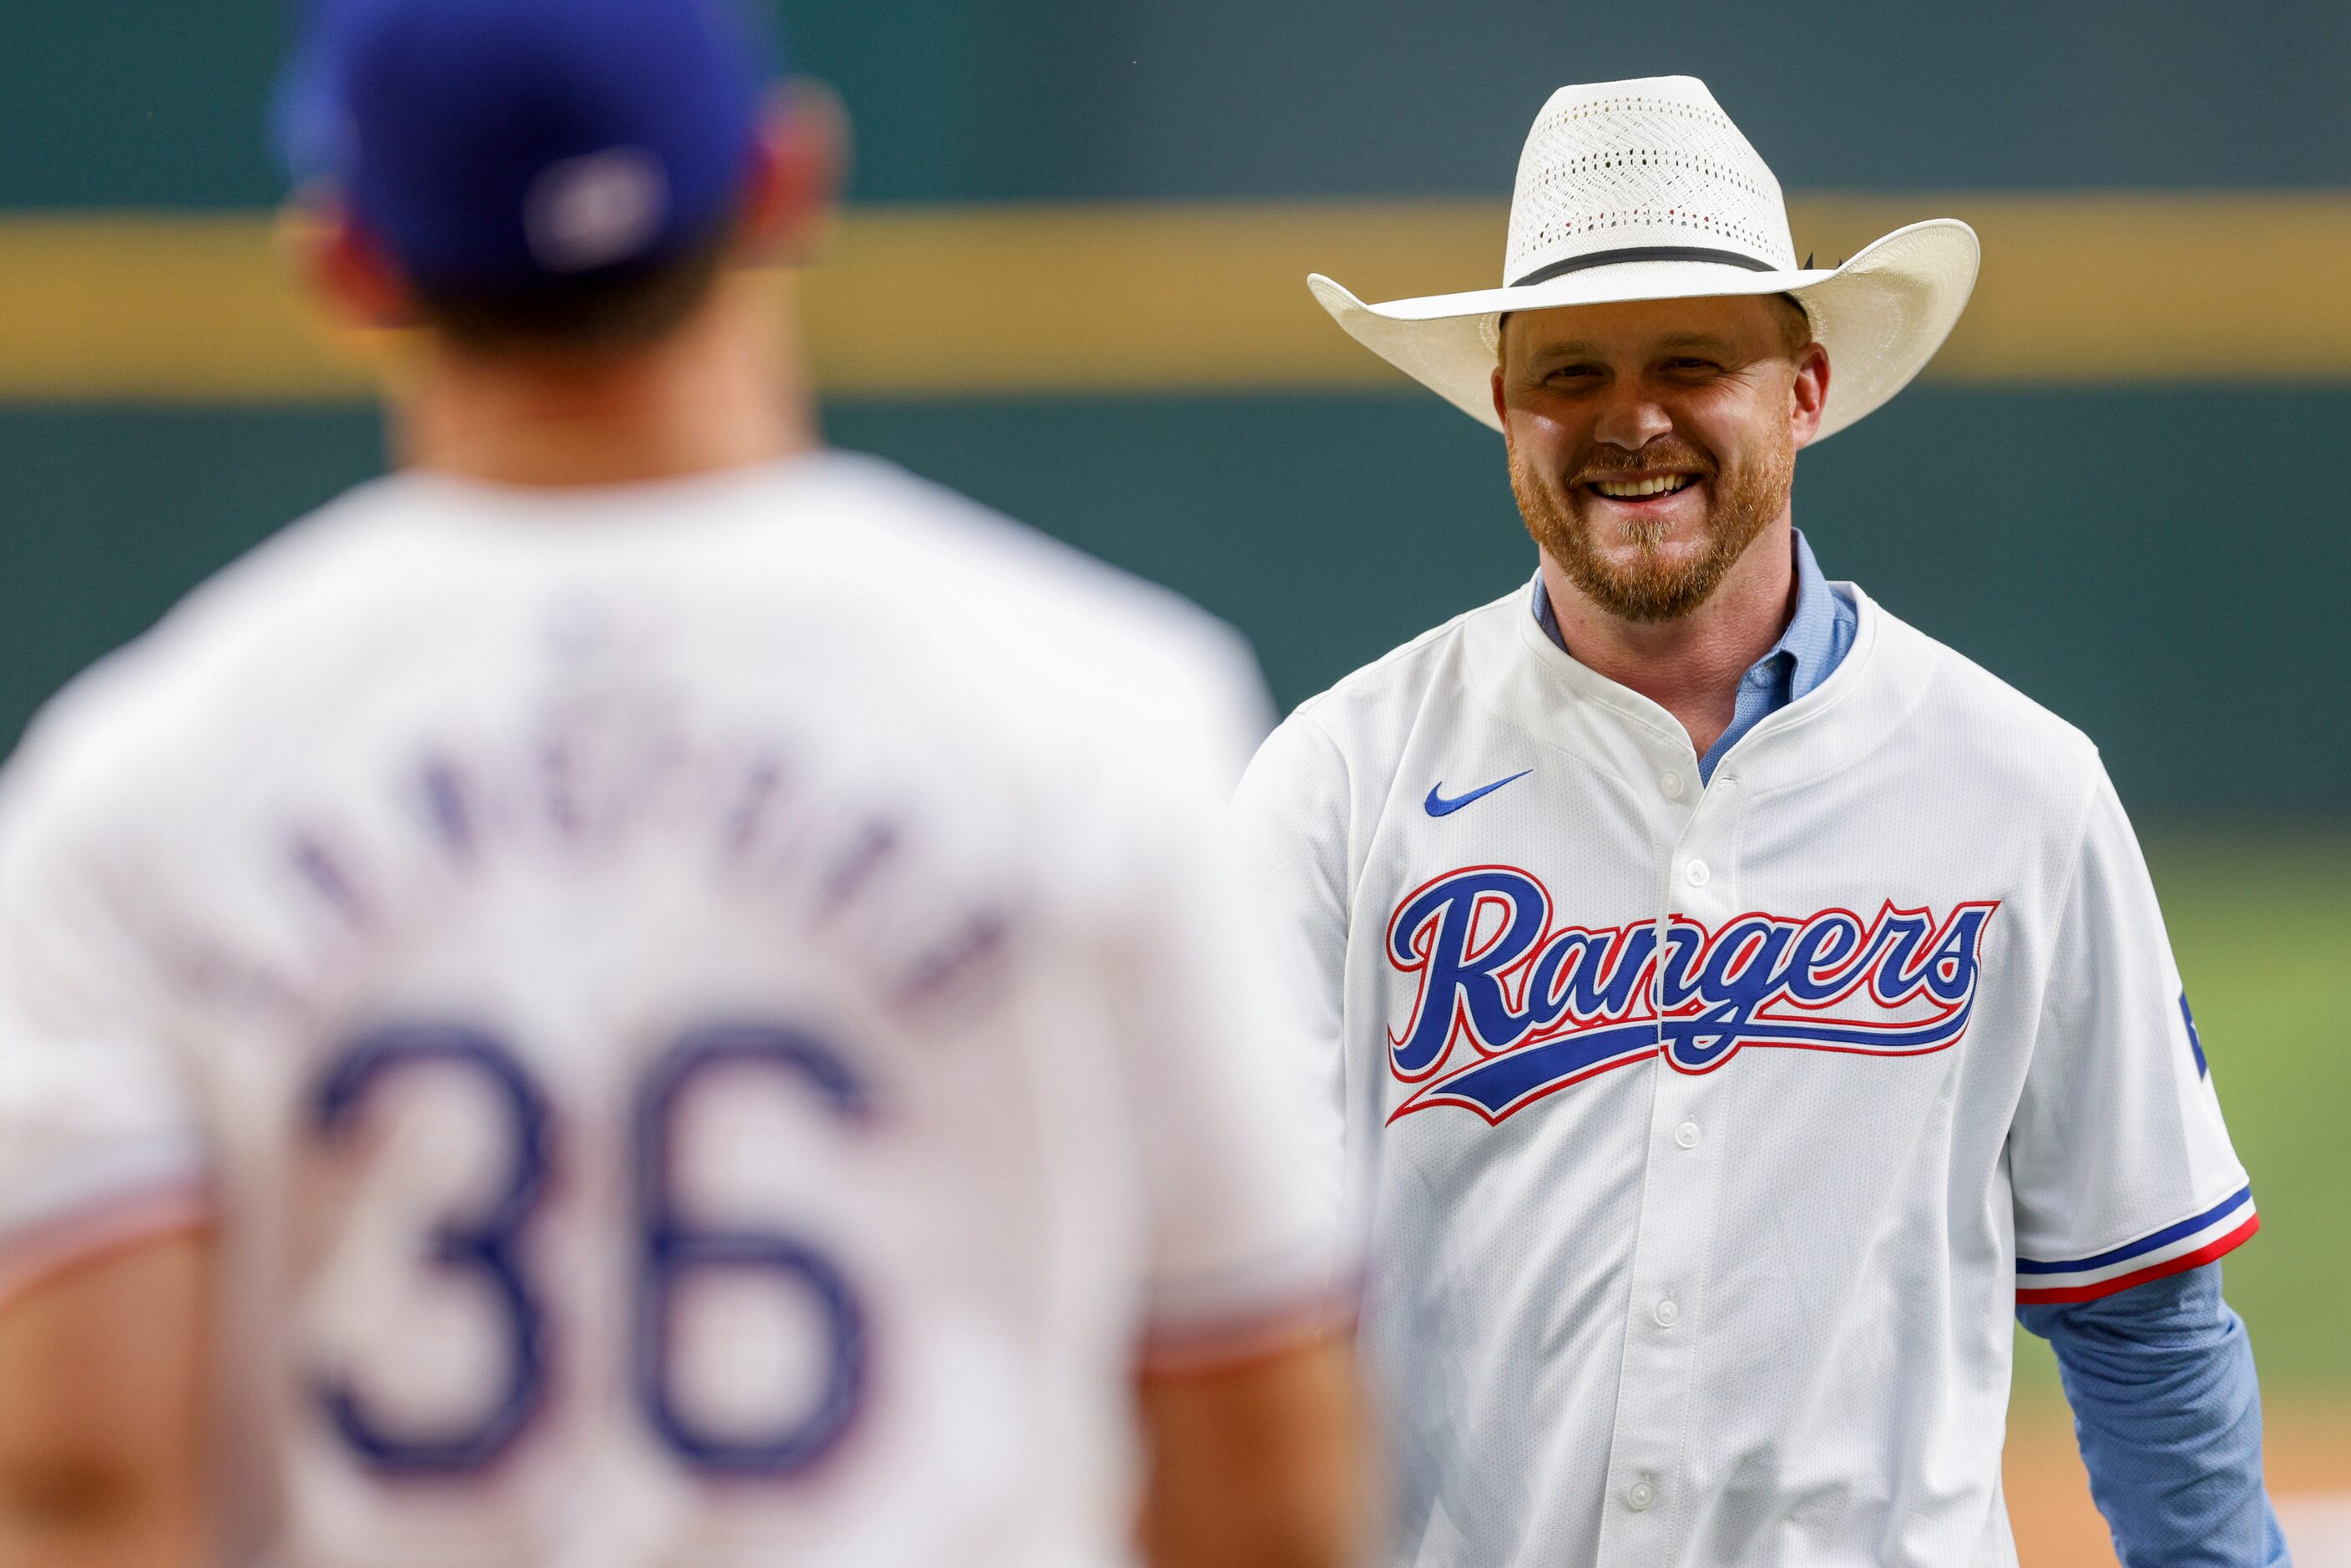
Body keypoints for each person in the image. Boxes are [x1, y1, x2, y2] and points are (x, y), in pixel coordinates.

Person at [0, 3, 1365, 1565]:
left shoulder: (140, 772)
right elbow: (1264, 1478)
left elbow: (85, 1478)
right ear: (786, 182)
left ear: (347, 264)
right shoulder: (1109, 707)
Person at [1234, 75, 2283, 1568]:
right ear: (1500, 403)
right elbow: (1216, 1316)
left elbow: (2143, 1320)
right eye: (1570, 373)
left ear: (1804, 385)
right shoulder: (1339, 783)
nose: (1630, 420)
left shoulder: (2019, 786)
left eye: (1689, 361)